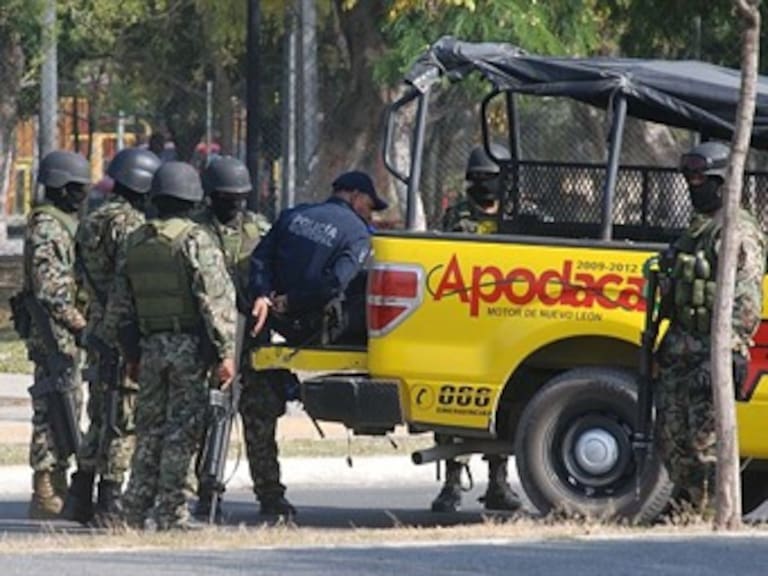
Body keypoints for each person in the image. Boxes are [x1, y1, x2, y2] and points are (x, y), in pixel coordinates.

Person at [245, 170, 387, 516]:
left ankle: (266, 495)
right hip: (317, 328)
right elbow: (335, 284)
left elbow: (259, 259)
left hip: (270, 323)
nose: (372, 214)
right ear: (355, 196)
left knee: (258, 409)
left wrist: (265, 296)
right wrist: (293, 302)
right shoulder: (357, 233)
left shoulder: (293, 215)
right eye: (370, 205)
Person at [115, 161, 237, 531]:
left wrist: (132, 354)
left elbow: (122, 307)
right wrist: (225, 353)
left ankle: (134, 508)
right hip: (187, 348)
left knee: (148, 428)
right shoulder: (195, 240)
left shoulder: (134, 241)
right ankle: (171, 511)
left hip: (150, 347)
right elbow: (214, 303)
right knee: (181, 431)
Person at [654, 141, 766, 517]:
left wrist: (726, 352)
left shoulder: (737, 230)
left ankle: (708, 510)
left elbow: (747, 301)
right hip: (681, 345)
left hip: (711, 353)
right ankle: (688, 501)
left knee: (705, 442)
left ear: (721, 181)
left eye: (701, 178)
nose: (693, 185)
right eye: (689, 178)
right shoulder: (698, 227)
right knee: (672, 436)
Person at [62, 148, 161, 524]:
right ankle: (111, 500)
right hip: (122, 330)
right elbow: (128, 282)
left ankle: (79, 494)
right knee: (124, 418)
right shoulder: (131, 226)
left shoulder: (90, 221)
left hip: (98, 328)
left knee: (100, 415)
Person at [431, 144, 521, 514]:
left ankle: (498, 483)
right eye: (478, 178)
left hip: (505, 324)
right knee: (455, 406)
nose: (483, 185)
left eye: (490, 178)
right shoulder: (456, 217)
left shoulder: (517, 217)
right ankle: (452, 484)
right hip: (462, 322)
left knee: (504, 406)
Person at [193, 156, 269, 520]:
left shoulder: (259, 230)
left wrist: (266, 296)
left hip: (252, 339)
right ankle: (209, 493)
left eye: (241, 197)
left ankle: (270, 493)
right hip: (210, 341)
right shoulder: (197, 231)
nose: (235, 204)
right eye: (227, 197)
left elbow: (276, 269)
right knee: (211, 419)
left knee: (260, 420)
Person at [20, 150, 90, 519]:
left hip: (62, 333)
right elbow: (51, 291)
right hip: (53, 333)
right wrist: (82, 325)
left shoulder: (61, 222)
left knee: (68, 406)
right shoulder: (47, 226)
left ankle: (56, 483)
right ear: (62, 188)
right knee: (53, 409)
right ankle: (46, 488)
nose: (83, 195)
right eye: (77, 188)